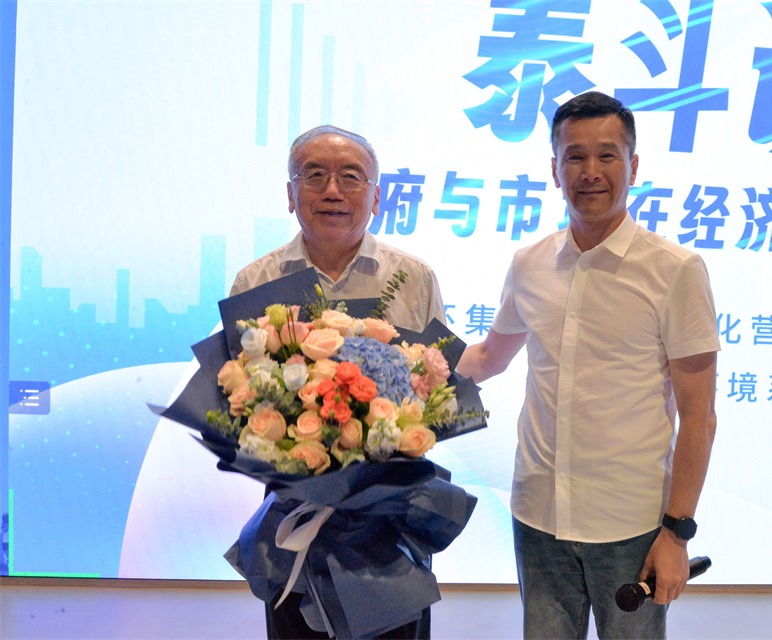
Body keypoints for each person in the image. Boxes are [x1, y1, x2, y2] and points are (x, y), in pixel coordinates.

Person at [457, 92, 720, 640]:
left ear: (633, 166)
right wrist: (396, 364)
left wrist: (676, 534)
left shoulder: (675, 270)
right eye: (574, 156)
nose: (590, 171)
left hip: (631, 525)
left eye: (607, 155)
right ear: (555, 169)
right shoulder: (529, 264)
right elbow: (486, 358)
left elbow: (699, 415)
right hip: (539, 517)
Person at [230, 125, 442, 640]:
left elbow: (439, 390)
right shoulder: (255, 282)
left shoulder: (414, 279)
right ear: (290, 193)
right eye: (314, 176)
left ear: (376, 197)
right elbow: (237, 399)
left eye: (350, 177)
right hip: (293, 513)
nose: (332, 191)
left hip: (389, 520)